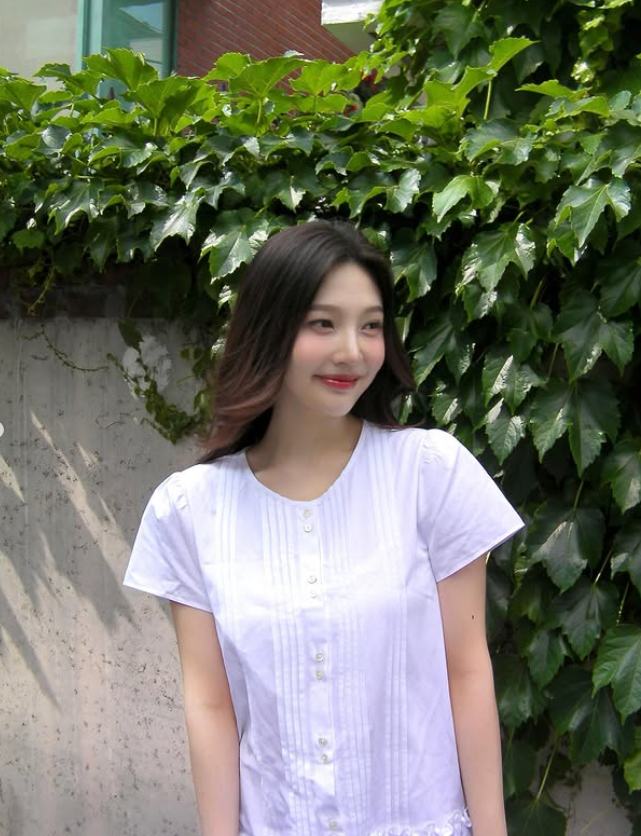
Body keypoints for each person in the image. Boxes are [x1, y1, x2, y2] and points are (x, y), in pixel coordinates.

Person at [124, 220, 524, 836]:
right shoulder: (190, 510)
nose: (353, 352)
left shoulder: (429, 474)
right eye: (323, 324)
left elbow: (466, 669)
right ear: (270, 329)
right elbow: (210, 704)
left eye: (371, 326)